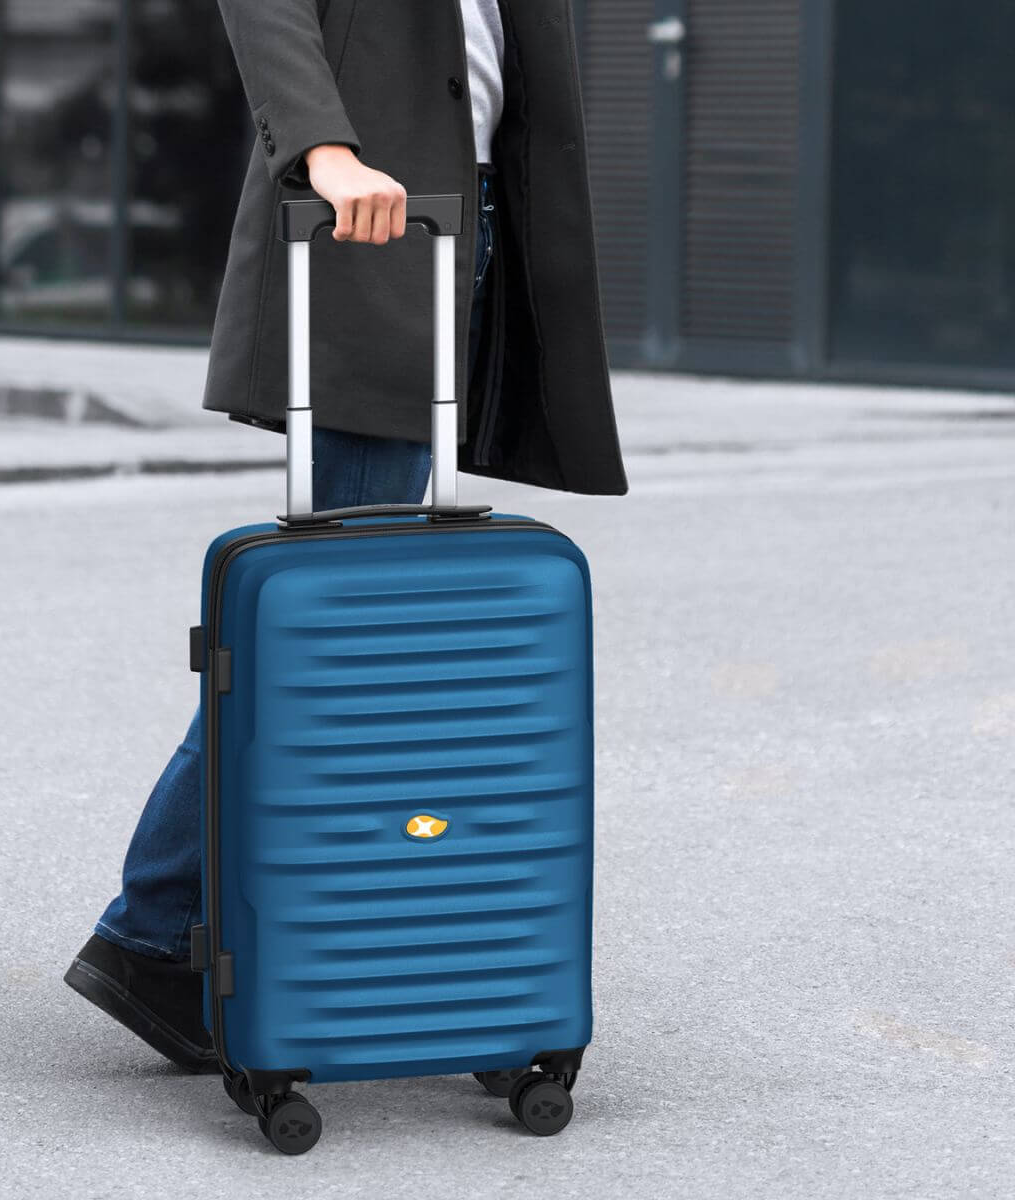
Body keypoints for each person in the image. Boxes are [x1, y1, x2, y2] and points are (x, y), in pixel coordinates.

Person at [65, 0, 628, 1071]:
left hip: (462, 219)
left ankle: (236, 937)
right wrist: (323, 147)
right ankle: (154, 935)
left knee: (355, 646)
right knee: (322, 645)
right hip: (369, 225)